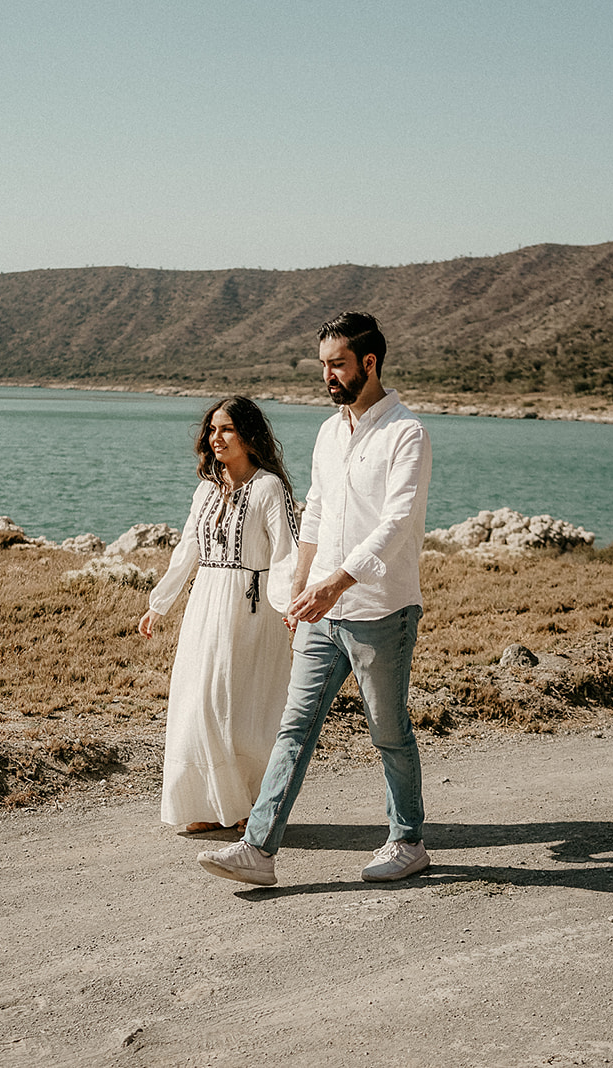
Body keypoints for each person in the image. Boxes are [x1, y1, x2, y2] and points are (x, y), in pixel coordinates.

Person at [197, 311, 432, 887]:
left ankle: (408, 840)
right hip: (322, 609)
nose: (326, 375)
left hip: (382, 609)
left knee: (388, 729)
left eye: (337, 364)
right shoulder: (329, 433)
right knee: (294, 727)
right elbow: (318, 515)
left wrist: (337, 583)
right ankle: (258, 850)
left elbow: (397, 523)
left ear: (368, 363)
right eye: (323, 365)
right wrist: (300, 583)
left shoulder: (407, 433)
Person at [139, 396, 301, 835]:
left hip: (253, 608)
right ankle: (211, 804)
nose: (216, 438)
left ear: (248, 435)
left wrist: (290, 608)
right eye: (212, 430)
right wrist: (160, 603)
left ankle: (250, 804)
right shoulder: (207, 488)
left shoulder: (270, 488)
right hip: (206, 602)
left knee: (241, 708)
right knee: (198, 703)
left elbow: (287, 553)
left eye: (226, 429)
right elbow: (187, 548)